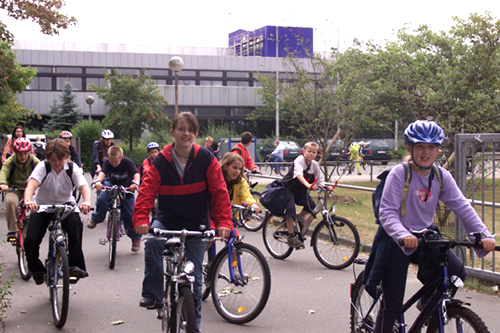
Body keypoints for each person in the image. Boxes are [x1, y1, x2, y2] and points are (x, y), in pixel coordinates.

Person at [362, 120, 496, 333]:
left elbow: (462, 206)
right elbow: (387, 213)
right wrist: (402, 234)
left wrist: (483, 235)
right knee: (393, 303)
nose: (426, 152)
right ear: (410, 148)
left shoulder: (441, 176)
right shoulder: (400, 173)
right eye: (420, 147)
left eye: (431, 147)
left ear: (438, 149)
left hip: (424, 236)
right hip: (395, 238)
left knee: (457, 272)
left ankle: (427, 303)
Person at [133, 112, 232, 333]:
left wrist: (224, 222)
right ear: (173, 132)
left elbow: (219, 192)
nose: (185, 133)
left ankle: (193, 328)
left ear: (196, 134)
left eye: (190, 130)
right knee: (153, 243)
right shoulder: (161, 161)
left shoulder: (206, 158)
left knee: (195, 280)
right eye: (181, 129)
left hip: (197, 224)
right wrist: (140, 218)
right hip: (167, 221)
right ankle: (153, 294)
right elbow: (147, 191)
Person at [23, 138, 91, 284]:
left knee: (75, 228)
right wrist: (29, 201)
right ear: (48, 158)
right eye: (53, 160)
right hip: (42, 206)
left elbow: (84, 187)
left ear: (66, 157)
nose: (57, 163)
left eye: (60, 159)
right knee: (30, 241)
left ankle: (74, 266)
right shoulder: (43, 167)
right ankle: (37, 270)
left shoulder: (72, 168)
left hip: (65, 205)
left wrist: (86, 201)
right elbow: (31, 185)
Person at [88, 146, 142, 252]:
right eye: (111, 161)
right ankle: (96, 219)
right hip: (111, 185)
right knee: (102, 200)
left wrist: (135, 183)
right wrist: (98, 182)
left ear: (121, 158)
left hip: (126, 187)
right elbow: (102, 173)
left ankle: (135, 239)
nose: (113, 163)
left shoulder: (127, 162)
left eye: (116, 161)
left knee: (130, 213)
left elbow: (136, 174)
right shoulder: (107, 163)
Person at [281, 141, 332, 248]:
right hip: (289, 189)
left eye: (314, 152)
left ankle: (299, 218)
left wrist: (325, 186)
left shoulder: (314, 165)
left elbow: (320, 179)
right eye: (309, 151)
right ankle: (291, 236)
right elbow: (299, 175)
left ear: (317, 154)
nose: (311, 154)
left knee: (312, 206)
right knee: (290, 210)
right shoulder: (299, 160)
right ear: (304, 152)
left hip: (300, 191)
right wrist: (308, 185)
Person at [0, 138, 40, 241]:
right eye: (20, 154)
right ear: (15, 152)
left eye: (25, 153)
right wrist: (3, 183)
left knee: (38, 206)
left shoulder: (34, 161)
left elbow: (43, 171)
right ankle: (12, 231)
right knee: (11, 202)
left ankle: (35, 228)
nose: (23, 156)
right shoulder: (10, 162)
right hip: (14, 190)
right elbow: (3, 172)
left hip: (31, 190)